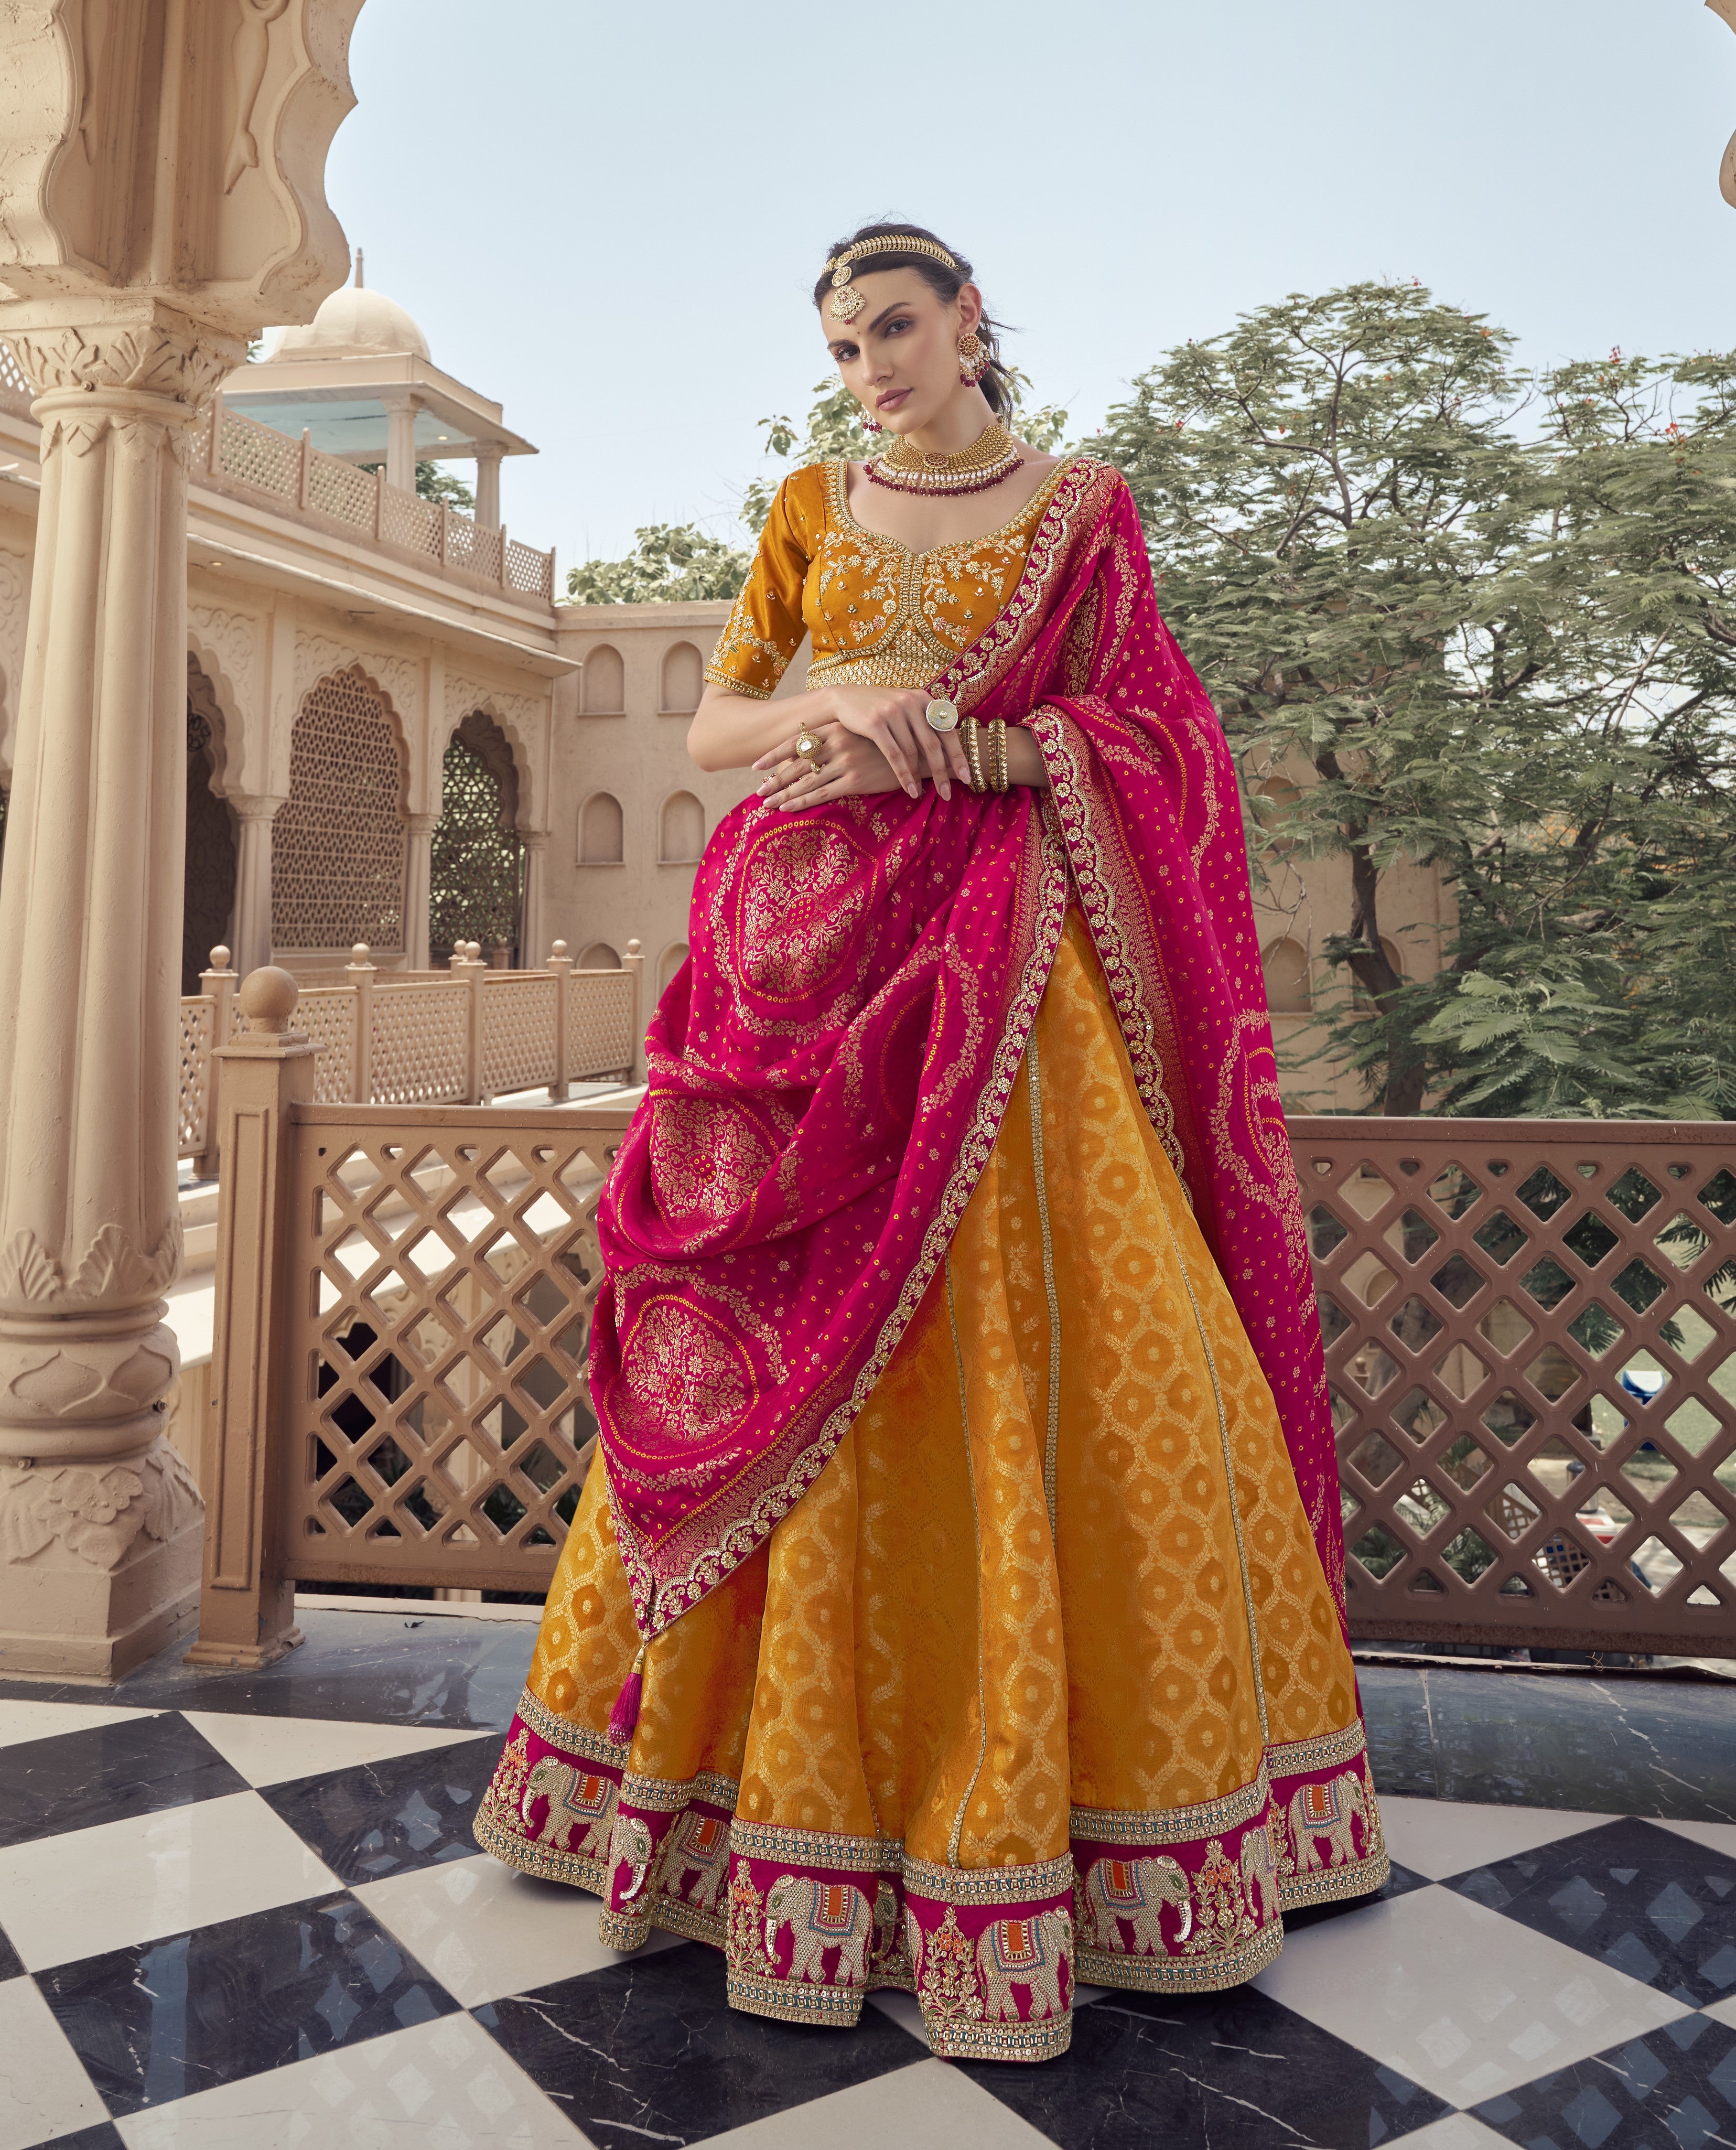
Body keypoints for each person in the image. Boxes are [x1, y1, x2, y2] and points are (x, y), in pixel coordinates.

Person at [473, 224, 1386, 2061]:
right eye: (842, 343)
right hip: (797, 975)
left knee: (1047, 1346)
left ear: (970, 320)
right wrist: (828, 709)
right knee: (768, 1331)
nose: (868, 365)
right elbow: (726, 719)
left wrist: (970, 755)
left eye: (893, 327)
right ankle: (731, 1802)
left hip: (1007, 985)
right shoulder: (812, 502)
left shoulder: (1082, 509)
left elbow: (1157, 740)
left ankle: (1078, 1822)